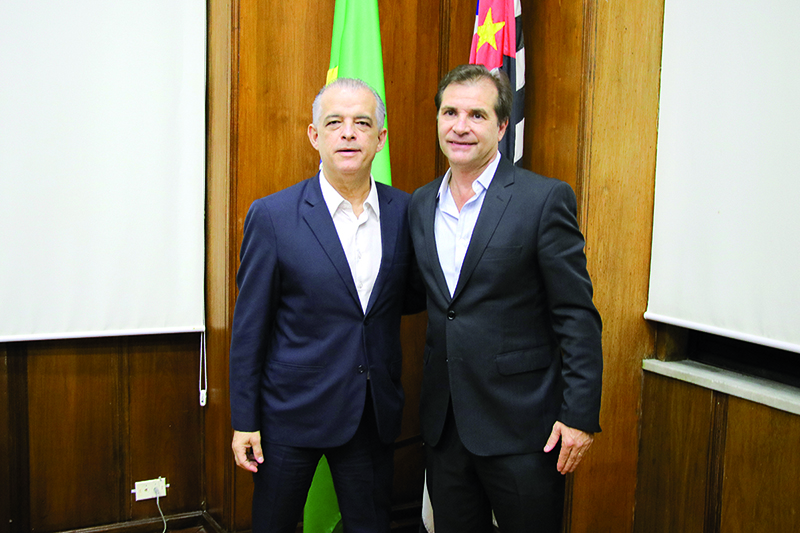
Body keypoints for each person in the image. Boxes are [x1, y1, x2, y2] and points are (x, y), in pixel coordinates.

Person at [409, 64, 603, 533]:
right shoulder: (420, 203)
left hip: (523, 428)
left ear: (501, 127)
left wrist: (578, 416)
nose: (460, 126)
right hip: (445, 426)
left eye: (476, 115)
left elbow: (576, 315)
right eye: (450, 112)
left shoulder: (543, 199)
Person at [229, 77, 423, 533]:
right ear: (314, 136)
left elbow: (409, 296)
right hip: (289, 413)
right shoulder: (273, 216)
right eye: (334, 123)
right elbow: (249, 328)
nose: (348, 133)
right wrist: (244, 419)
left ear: (381, 138)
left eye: (362, 123)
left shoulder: (407, 211)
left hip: (371, 413)